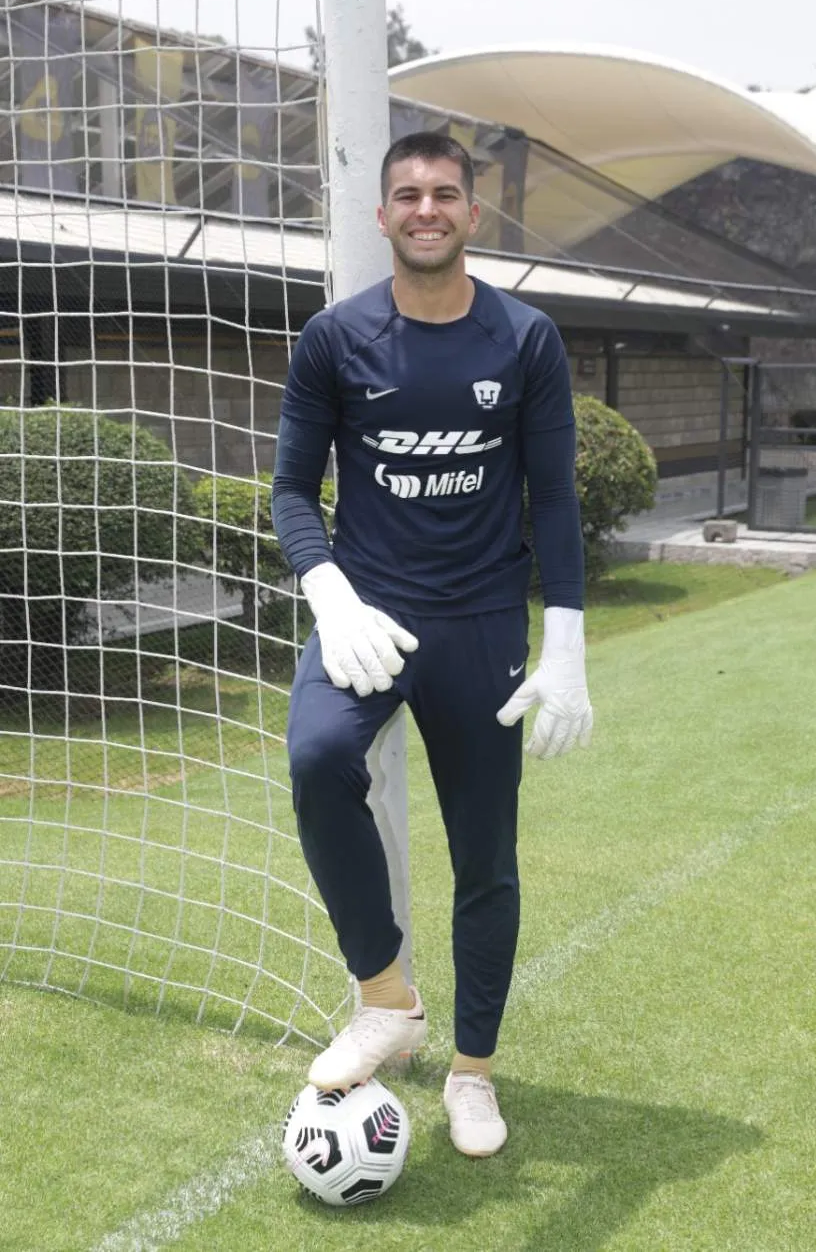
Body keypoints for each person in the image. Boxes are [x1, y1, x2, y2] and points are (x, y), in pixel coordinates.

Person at [271, 130, 592, 1158]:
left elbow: (553, 500)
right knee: (320, 759)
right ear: (381, 215)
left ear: (470, 214)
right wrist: (330, 595)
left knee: (483, 856)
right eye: (406, 194)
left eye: (444, 194)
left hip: (481, 625)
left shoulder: (525, 338)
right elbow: (289, 491)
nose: (425, 209)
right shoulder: (334, 338)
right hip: (369, 620)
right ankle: (387, 999)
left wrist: (568, 643)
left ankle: (473, 1074)